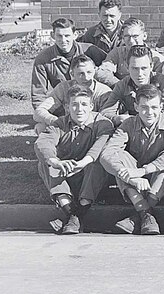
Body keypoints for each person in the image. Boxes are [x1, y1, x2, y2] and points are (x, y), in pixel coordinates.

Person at [100, 84, 164, 235]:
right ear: (136, 106)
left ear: (161, 107)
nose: (149, 112)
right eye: (144, 107)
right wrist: (131, 178)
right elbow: (107, 154)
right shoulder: (128, 124)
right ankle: (146, 214)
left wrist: (142, 171)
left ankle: (142, 211)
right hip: (137, 184)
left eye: (154, 107)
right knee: (118, 158)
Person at [34, 85, 113, 234]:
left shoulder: (103, 123)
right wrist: (55, 161)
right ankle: (72, 213)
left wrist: (82, 163)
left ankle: (73, 215)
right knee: (45, 163)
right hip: (66, 175)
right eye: (74, 104)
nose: (79, 109)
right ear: (67, 107)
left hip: (91, 177)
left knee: (98, 163)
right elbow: (43, 143)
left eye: (84, 104)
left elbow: (100, 146)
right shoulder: (59, 124)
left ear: (91, 106)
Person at [32, 18, 105, 110]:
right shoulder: (43, 58)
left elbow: (107, 72)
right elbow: (38, 93)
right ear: (52, 35)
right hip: (64, 106)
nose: (63, 40)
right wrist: (42, 113)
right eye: (59, 36)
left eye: (67, 35)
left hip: (92, 104)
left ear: (75, 35)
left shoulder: (90, 50)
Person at [99, 45, 164, 127]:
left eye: (144, 68)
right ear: (127, 67)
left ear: (151, 66)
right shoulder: (122, 85)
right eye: (135, 68)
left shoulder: (162, 82)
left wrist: (136, 120)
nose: (140, 74)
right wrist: (118, 118)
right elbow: (105, 112)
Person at [33, 55, 112, 133]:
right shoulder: (63, 88)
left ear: (95, 70)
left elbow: (107, 118)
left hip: (91, 130)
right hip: (68, 128)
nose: (86, 78)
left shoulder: (104, 92)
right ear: (72, 74)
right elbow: (39, 112)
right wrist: (58, 121)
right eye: (81, 74)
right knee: (41, 127)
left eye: (89, 72)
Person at [96, 17, 164, 88]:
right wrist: (122, 86)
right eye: (127, 36)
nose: (131, 41)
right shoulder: (117, 53)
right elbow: (102, 72)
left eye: (135, 36)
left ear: (144, 36)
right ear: (123, 38)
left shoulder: (156, 58)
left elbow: (160, 81)